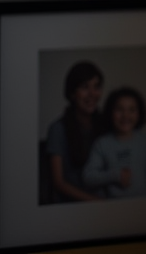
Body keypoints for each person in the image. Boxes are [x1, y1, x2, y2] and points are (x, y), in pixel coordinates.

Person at [45, 60, 105, 203]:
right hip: (71, 207)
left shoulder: (105, 124)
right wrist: (96, 201)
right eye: (85, 87)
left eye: (96, 87)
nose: (92, 93)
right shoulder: (58, 129)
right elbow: (59, 182)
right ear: (72, 93)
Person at [83, 86, 146, 199]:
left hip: (144, 204)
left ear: (139, 113)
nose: (125, 115)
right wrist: (116, 175)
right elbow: (88, 177)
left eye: (132, 110)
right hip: (113, 206)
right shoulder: (102, 144)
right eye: (120, 110)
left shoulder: (145, 141)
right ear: (110, 112)